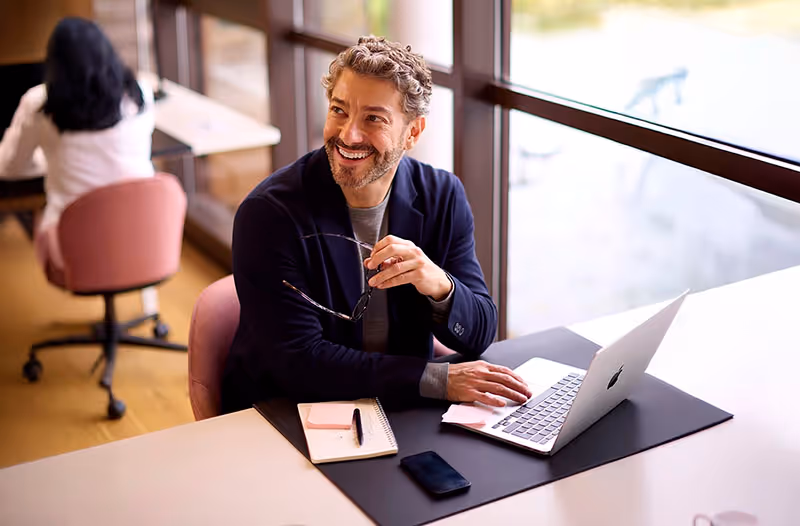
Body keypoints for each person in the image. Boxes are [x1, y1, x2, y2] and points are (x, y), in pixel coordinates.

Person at [221, 36, 532, 412]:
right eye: (339, 110)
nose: (348, 134)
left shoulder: (442, 196)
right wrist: (437, 380)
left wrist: (440, 285)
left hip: (397, 407)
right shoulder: (269, 213)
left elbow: (479, 332)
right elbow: (297, 363)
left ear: (412, 133)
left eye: (373, 118)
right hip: (286, 410)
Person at [0, 17, 155, 271]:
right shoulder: (140, 93)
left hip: (74, 254)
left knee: (44, 216)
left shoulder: (39, 103)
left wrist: (49, 161)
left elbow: (8, 166)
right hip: (146, 240)